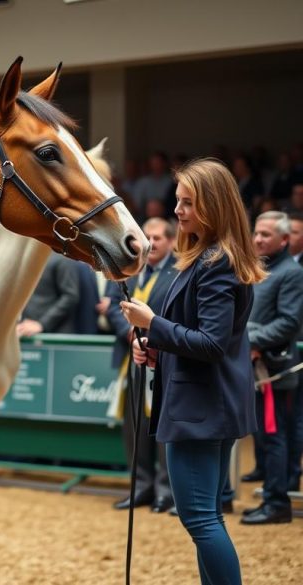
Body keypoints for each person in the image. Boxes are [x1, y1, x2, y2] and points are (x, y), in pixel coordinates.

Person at [122, 158, 264, 585]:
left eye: (188, 203)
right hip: (205, 403)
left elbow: (212, 344)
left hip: (200, 409)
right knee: (205, 519)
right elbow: (199, 338)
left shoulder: (216, 262)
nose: (177, 210)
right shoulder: (204, 255)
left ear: (215, 206)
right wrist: (157, 348)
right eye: (179, 201)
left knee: (200, 519)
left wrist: (153, 325)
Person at [106, 218, 179, 513]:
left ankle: (165, 491)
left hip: (164, 358)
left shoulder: (179, 272)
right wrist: (128, 332)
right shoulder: (128, 269)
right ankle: (141, 487)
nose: (152, 241)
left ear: (171, 241)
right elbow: (112, 304)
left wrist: (152, 336)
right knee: (134, 427)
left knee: (160, 426)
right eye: (147, 236)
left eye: (158, 237)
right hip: (131, 357)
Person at [239, 211, 303, 525]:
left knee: (275, 436)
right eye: (257, 233)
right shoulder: (257, 268)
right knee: (263, 438)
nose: (259, 239)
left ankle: (277, 503)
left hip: (274, 368)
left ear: (285, 239)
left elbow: (290, 322)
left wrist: (247, 339)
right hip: (252, 364)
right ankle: (269, 496)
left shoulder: (291, 272)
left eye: (266, 234)